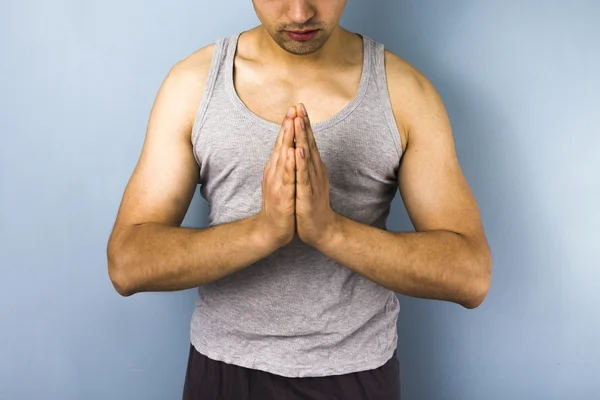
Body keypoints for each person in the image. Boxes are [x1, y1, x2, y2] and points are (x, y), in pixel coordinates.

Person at [106, 1, 492, 398]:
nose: (299, 13)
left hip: (357, 375)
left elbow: (470, 276)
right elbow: (127, 263)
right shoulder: (192, 85)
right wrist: (263, 231)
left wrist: (329, 232)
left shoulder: (405, 92)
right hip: (224, 372)